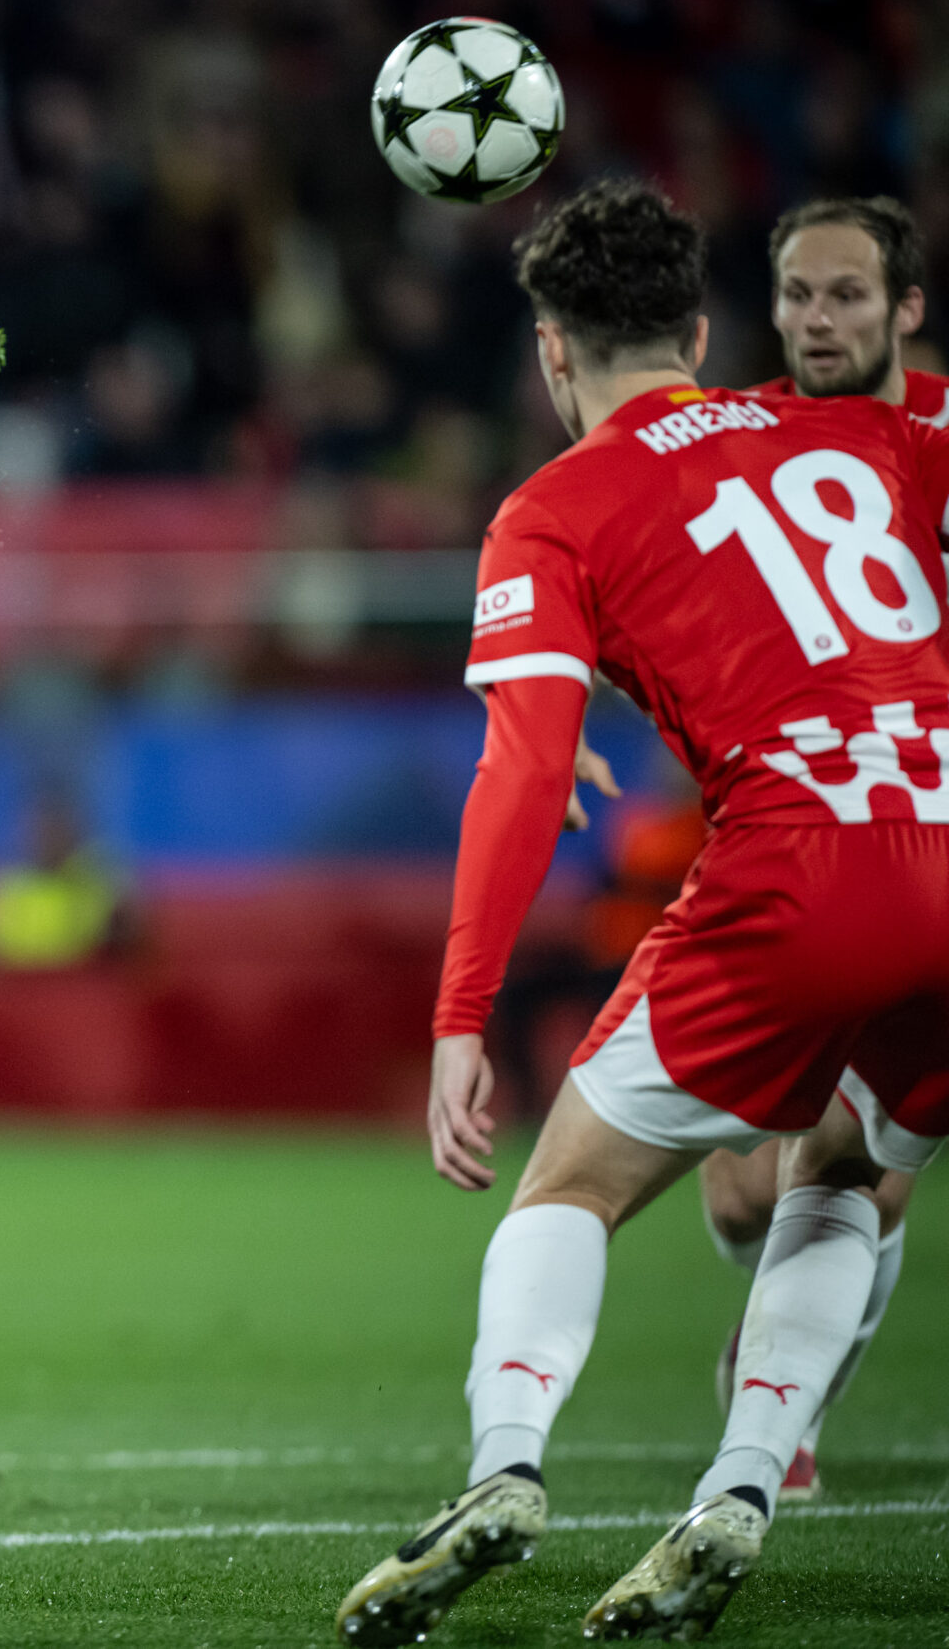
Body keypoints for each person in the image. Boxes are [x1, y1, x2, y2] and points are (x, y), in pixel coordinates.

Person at [334, 181, 949, 1645]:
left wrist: (460, 1015)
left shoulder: (553, 508)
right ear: (704, 326)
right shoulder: (854, 424)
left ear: (551, 354)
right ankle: (744, 1478)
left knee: (571, 1185)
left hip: (799, 862)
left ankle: (503, 1468)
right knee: (842, 1179)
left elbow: (522, 768)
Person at [572, 194, 936, 1505]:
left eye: (847, 293)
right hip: (794, 854)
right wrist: (555, 714)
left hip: (921, 850)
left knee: (863, 1171)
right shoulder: (752, 443)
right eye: (796, 293)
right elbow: (629, 587)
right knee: (744, 1201)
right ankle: (778, 1387)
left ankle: (781, 1424)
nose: (817, 318)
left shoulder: (935, 439)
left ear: (905, 307)